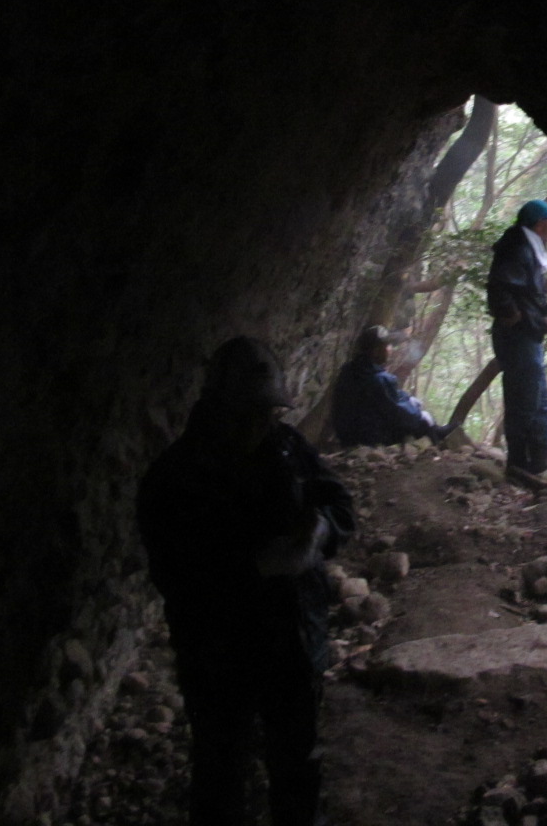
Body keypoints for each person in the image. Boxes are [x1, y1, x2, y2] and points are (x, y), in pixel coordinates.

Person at [138, 337, 356, 826]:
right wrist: (253, 567)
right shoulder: (175, 479)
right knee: (220, 768)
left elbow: (340, 505)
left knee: (297, 761)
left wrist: (320, 530)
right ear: (217, 407)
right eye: (246, 414)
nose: (258, 425)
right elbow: (174, 576)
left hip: (293, 639)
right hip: (219, 651)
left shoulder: (287, 447)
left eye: (266, 413)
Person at [487, 198, 547, 474]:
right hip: (518, 336)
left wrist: (541, 314)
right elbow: (500, 288)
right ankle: (520, 464)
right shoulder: (517, 248)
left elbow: (530, 291)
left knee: (538, 399)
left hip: (529, 335)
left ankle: (538, 462)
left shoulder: (529, 247)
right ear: (539, 224)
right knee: (525, 399)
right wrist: (514, 316)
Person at [328, 324, 445, 447]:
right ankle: (436, 439)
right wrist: (420, 415)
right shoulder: (378, 379)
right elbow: (396, 413)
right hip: (368, 437)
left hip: (347, 436)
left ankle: (436, 431)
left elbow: (391, 396)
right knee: (420, 424)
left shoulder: (350, 370)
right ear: (376, 351)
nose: (390, 349)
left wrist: (409, 399)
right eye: (387, 346)